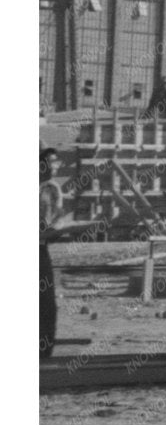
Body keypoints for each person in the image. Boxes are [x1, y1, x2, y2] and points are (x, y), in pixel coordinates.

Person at [39, 149, 64, 360]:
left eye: (54, 162)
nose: (53, 166)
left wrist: (53, 231)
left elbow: (57, 219)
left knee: (46, 304)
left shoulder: (52, 189)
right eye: (48, 162)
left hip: (40, 249)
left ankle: (43, 353)